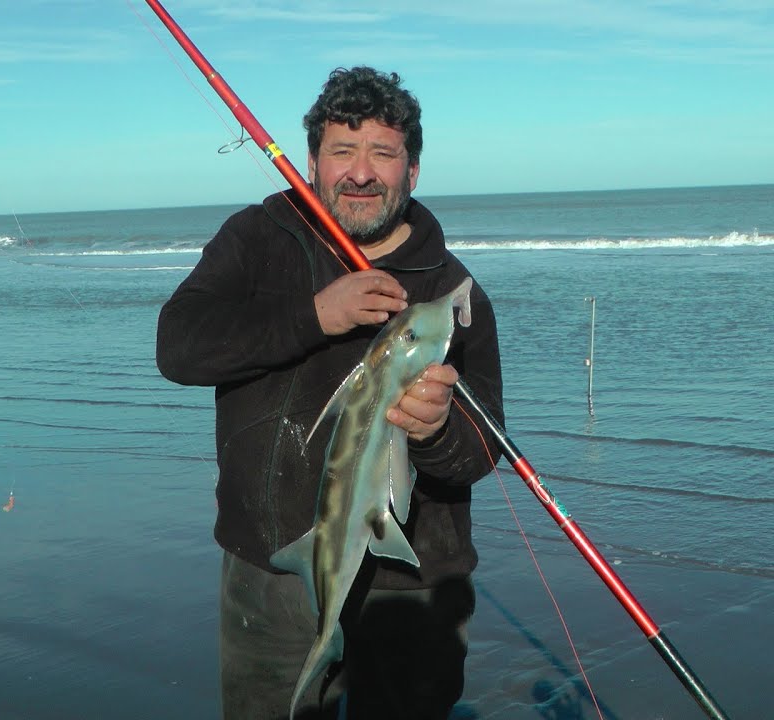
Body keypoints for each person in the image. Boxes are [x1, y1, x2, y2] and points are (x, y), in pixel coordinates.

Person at [156, 66, 504, 720]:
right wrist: (312, 317)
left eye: (383, 153)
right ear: (312, 162)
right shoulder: (258, 241)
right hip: (271, 572)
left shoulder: (452, 293)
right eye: (343, 151)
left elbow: (483, 453)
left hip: (412, 583)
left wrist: (436, 431)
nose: (362, 172)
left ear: (413, 170)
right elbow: (178, 346)